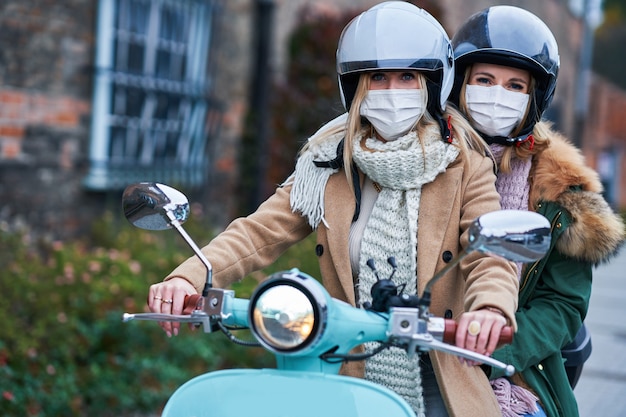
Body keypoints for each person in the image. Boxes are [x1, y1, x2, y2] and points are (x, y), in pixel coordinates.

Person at [148, 2, 519, 416]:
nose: (392, 91)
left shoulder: (463, 160)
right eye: (377, 77)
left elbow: (489, 248)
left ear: (431, 83)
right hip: (348, 367)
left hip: (440, 366)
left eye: (407, 77)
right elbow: (259, 231)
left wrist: (489, 309)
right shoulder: (327, 159)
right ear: (356, 86)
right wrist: (190, 276)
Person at [450, 5, 625, 417]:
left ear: (534, 97)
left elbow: (562, 304)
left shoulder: (561, 189)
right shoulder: (424, 159)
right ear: (461, 83)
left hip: (514, 371)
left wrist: (494, 345)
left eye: (515, 86)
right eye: (485, 80)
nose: (497, 95)